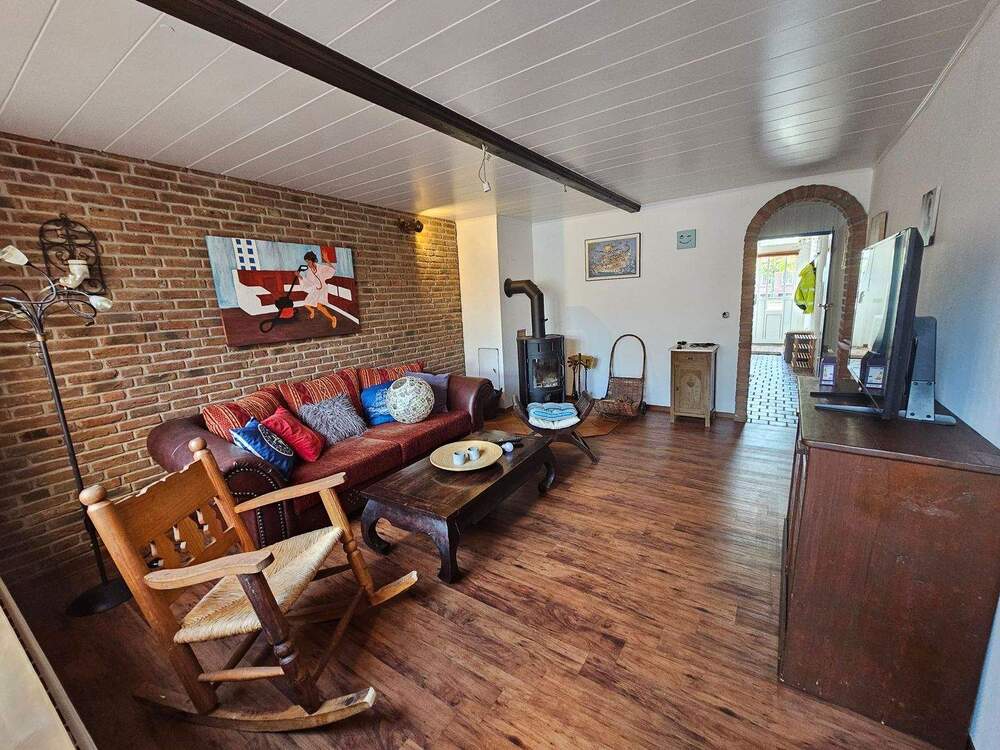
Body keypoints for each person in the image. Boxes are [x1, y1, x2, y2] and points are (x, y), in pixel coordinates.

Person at [299, 251, 337, 328]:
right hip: (315, 290)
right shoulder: (309, 271)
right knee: (306, 304)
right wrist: (299, 276)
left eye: (309, 261)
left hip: (323, 289)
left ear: (313, 260)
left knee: (319, 307)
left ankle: (332, 318)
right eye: (306, 262)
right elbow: (308, 282)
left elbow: (332, 270)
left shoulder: (320, 267)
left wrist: (327, 260)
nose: (308, 264)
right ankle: (312, 310)